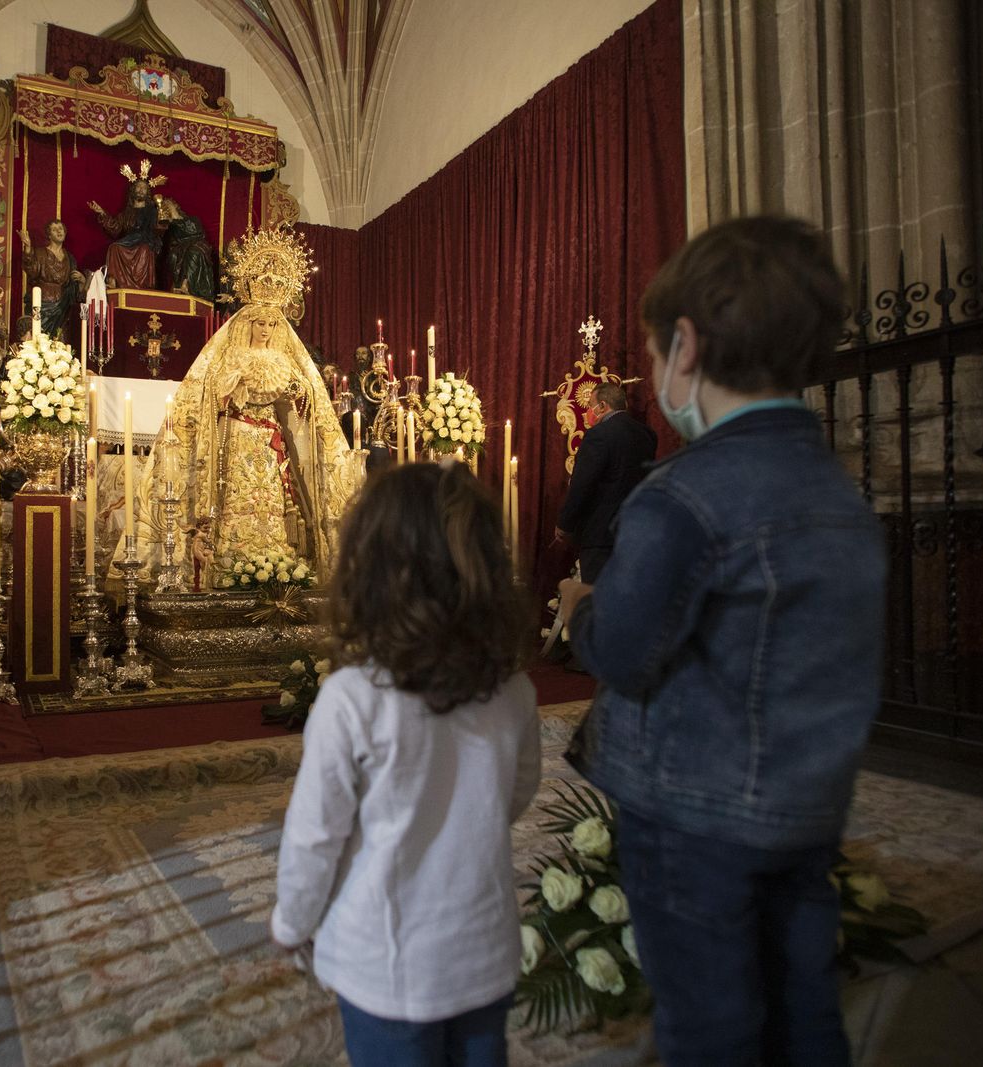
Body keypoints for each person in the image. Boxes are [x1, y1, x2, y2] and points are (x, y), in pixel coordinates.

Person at [559, 216, 887, 1066]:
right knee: (805, 999)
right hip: (806, 805)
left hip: (690, 817)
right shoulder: (839, 493)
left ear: (687, 348)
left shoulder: (683, 496)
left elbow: (625, 649)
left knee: (710, 1018)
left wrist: (582, 607)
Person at [271, 460, 541, 1067]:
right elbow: (519, 792)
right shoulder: (514, 690)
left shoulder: (352, 700)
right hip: (484, 949)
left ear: (370, 572)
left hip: (384, 963)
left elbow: (315, 836)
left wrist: (292, 922)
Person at [132, 227, 364, 581]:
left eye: (272, 323)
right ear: (248, 323)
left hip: (270, 439)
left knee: (271, 498)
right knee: (236, 496)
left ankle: (274, 558)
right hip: (238, 436)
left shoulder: (286, 361)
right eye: (260, 322)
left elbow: (305, 404)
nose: (266, 329)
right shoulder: (232, 356)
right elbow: (211, 396)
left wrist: (299, 393)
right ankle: (230, 558)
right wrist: (234, 384)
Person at [556, 381, 657, 582]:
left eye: (590, 406)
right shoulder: (647, 435)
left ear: (602, 406)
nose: (587, 413)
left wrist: (565, 523)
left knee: (597, 600)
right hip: (636, 530)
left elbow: (582, 484)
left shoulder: (598, 435)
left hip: (601, 535)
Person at [89, 178, 167, 290]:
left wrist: (161, 220)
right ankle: (113, 281)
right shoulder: (126, 213)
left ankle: (143, 285)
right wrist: (102, 212)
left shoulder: (152, 211)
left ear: (147, 193)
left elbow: (158, 229)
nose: (141, 190)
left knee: (144, 249)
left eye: (144, 188)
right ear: (133, 190)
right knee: (114, 247)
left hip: (145, 240)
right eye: (138, 187)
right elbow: (115, 228)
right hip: (129, 241)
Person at [15, 219, 84, 342]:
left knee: (59, 339)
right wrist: (28, 248)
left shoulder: (70, 258)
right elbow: (32, 271)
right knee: (40, 337)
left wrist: (82, 280)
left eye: (61, 228)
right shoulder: (40, 253)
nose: (59, 231)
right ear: (49, 234)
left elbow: (74, 288)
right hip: (43, 302)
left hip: (63, 306)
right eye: (54, 229)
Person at [158, 197, 215, 301]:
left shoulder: (193, 219)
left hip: (198, 245)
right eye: (165, 208)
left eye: (169, 207)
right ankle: (179, 285)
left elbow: (192, 232)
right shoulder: (170, 226)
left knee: (193, 252)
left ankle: (187, 285)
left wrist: (172, 210)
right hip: (180, 250)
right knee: (174, 256)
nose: (167, 209)